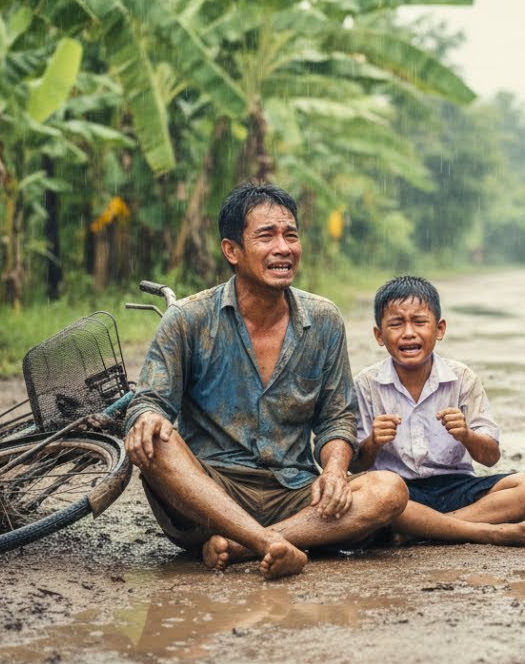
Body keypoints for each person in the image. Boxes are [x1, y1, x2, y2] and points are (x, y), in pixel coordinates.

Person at [124, 180, 408, 580]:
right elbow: (149, 399)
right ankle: (268, 544)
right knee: (152, 437)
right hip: (208, 494)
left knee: (389, 490)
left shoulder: (324, 320)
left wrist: (333, 472)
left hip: (292, 493)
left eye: (290, 235)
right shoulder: (188, 318)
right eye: (266, 236)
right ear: (232, 251)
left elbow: (337, 419)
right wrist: (148, 415)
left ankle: (244, 544)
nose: (283, 248)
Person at [351, 275, 525, 547]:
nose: (408, 333)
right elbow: (355, 465)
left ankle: (426, 530)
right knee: (367, 500)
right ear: (379, 335)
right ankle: (482, 531)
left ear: (439, 329)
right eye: (396, 324)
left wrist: (467, 435)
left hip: (455, 488)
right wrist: (373, 442)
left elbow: (491, 457)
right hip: (397, 495)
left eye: (420, 322)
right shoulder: (366, 384)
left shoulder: (462, 378)